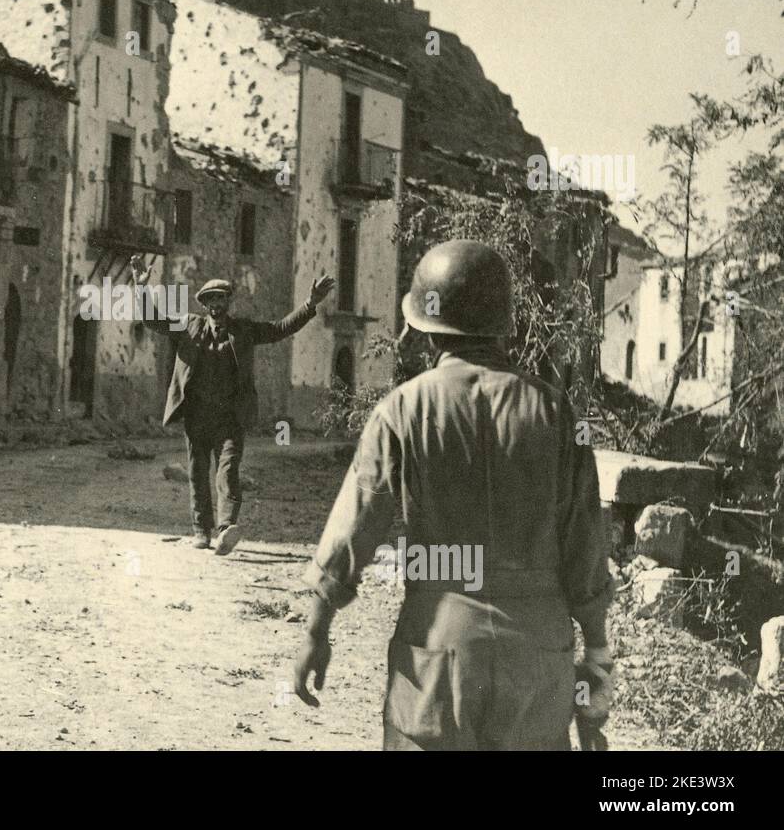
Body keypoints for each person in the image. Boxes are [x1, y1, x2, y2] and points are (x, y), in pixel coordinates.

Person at [292, 239, 614, 749]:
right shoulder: (557, 414)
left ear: (424, 326)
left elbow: (356, 525)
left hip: (439, 646)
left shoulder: (402, 410)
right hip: (537, 653)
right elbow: (585, 545)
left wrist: (316, 628)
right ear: (503, 322)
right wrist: (596, 655)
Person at [130, 254, 335, 554]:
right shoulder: (187, 326)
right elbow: (153, 321)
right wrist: (140, 288)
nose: (216, 306)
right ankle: (201, 530)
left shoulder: (245, 331)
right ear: (204, 305)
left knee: (227, 470)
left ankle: (226, 528)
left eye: (221, 299)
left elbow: (280, 329)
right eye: (210, 300)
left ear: (228, 303)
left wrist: (309, 304)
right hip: (197, 416)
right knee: (198, 471)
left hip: (230, 417)